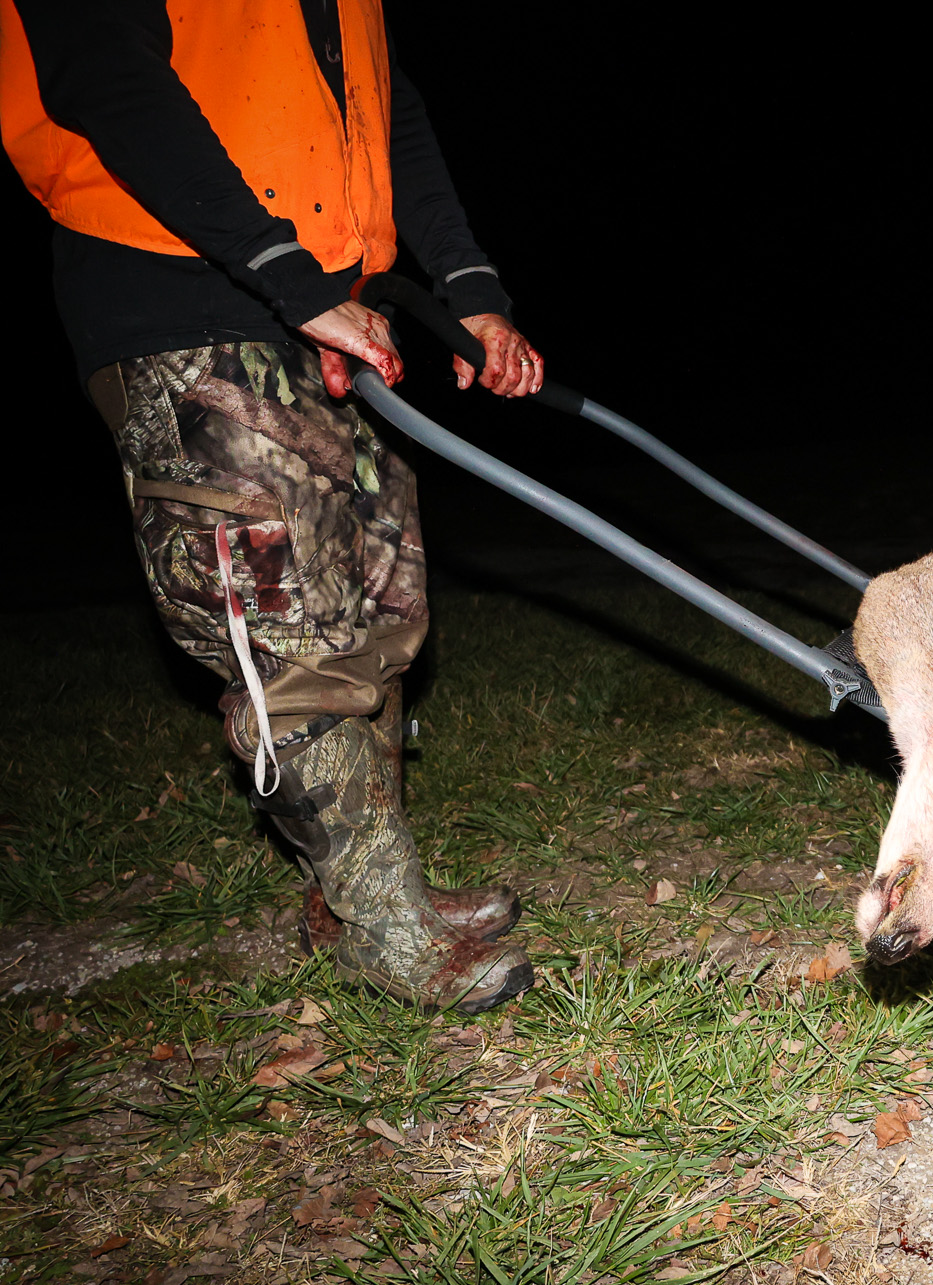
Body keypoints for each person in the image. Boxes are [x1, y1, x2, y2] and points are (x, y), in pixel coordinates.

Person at [3, 0, 539, 1012]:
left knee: (377, 611)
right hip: (184, 299)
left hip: (336, 305)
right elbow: (103, 72)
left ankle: (363, 893)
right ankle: (383, 926)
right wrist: (284, 274)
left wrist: (467, 284)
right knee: (286, 635)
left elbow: (387, 106)